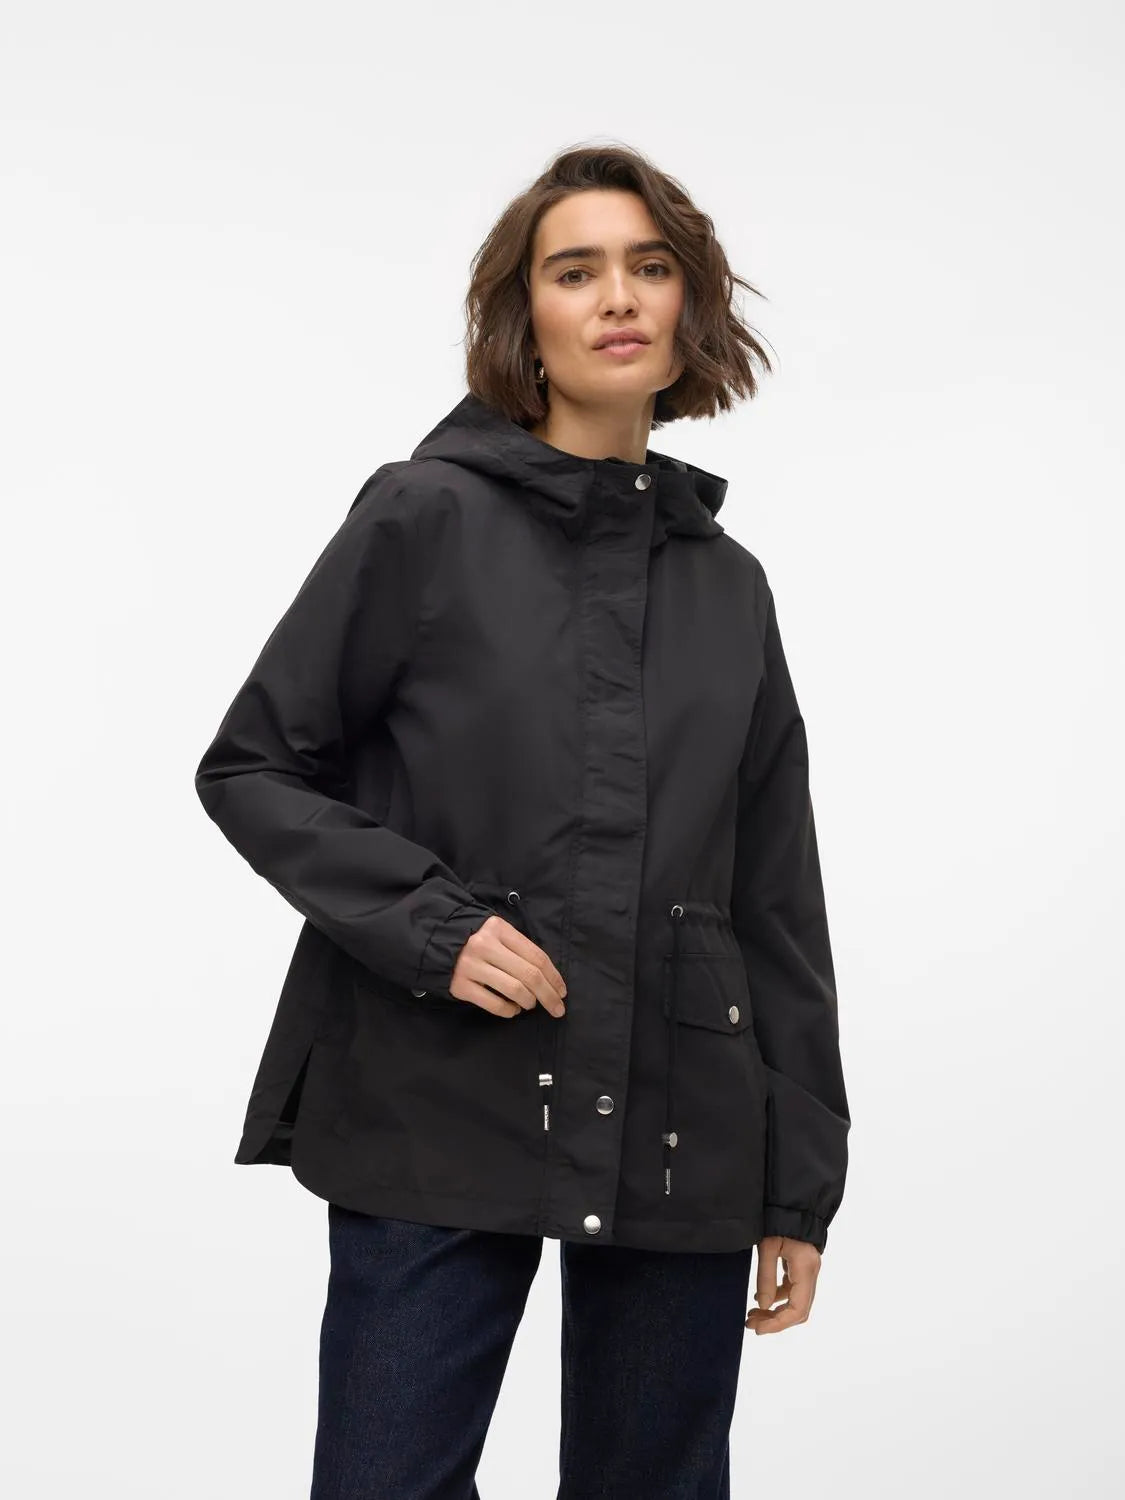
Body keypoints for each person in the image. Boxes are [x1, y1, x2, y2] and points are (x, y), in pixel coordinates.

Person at [195, 142, 851, 1500]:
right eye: (574, 271)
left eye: (649, 266)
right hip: (436, 1087)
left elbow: (774, 896)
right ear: (523, 319)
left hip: (679, 1116)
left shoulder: (729, 587)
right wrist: (436, 929)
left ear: (690, 306)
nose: (617, 297)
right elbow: (254, 766)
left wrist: (798, 1182)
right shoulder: (422, 517)